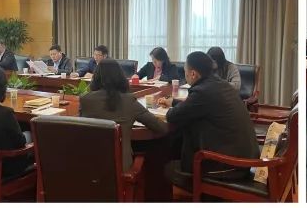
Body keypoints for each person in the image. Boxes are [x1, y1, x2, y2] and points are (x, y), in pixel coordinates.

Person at [157, 51, 258, 189]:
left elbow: (172, 116)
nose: (185, 76)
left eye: (185, 72)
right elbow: (196, 106)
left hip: (229, 165)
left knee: (168, 167)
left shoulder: (202, 91)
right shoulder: (220, 84)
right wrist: (173, 102)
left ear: (193, 74)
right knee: (181, 139)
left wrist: (171, 108)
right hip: (245, 158)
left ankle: (205, 194)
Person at [81, 59, 168, 170]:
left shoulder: (85, 100)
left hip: (90, 167)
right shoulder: (128, 100)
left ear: (96, 78)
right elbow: (160, 128)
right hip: (121, 169)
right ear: (120, 77)